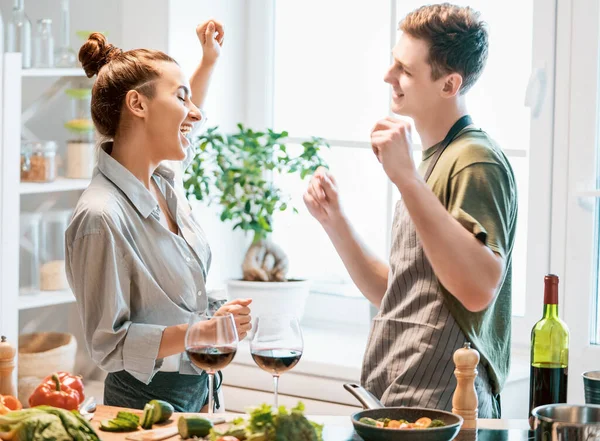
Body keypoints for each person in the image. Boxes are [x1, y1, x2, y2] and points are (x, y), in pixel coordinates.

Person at [304, 4, 517, 418]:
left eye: (405, 69)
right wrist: (335, 223)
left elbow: (477, 289)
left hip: (442, 408)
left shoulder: (475, 159)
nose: (388, 77)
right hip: (402, 396)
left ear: (449, 84)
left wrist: (406, 179)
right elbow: (400, 294)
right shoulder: (433, 160)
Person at [65, 20, 252, 412]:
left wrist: (213, 318)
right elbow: (109, 344)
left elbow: (185, 126)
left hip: (201, 394)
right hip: (142, 409)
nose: (195, 114)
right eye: (182, 98)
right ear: (137, 105)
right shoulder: (101, 218)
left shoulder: (164, 185)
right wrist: (197, 333)